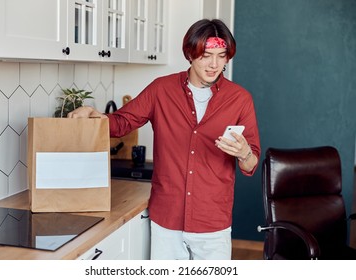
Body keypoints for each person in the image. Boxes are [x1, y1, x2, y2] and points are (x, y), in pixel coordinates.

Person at [68, 18, 261, 260]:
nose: (214, 64)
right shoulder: (161, 89)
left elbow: (251, 163)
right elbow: (122, 122)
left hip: (213, 221)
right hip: (167, 218)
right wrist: (94, 114)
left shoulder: (240, 99)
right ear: (190, 54)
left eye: (221, 56)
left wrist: (244, 153)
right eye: (206, 55)